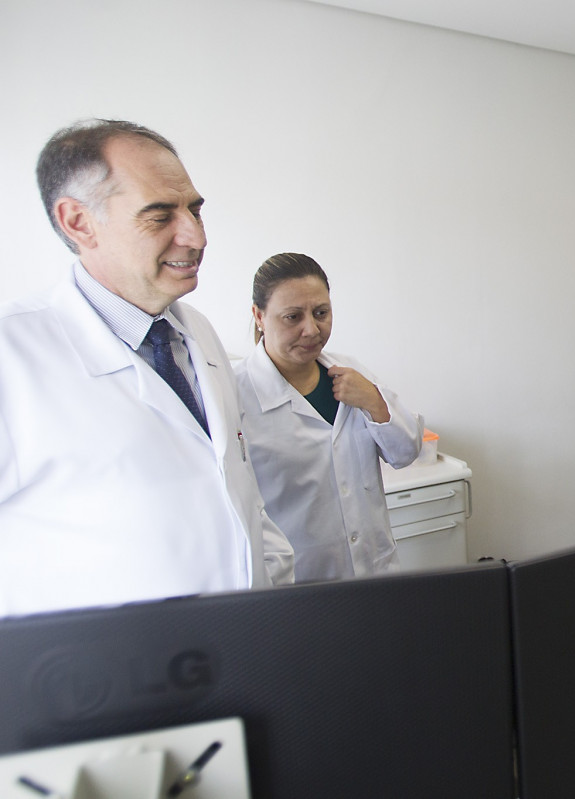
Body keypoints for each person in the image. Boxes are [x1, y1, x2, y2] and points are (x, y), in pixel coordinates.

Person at [0, 119, 294, 617]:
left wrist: (275, 585)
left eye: (195, 210)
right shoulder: (14, 355)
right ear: (78, 222)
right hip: (95, 678)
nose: (196, 236)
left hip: (240, 650)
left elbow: (234, 490)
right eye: (159, 217)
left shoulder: (197, 334)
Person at [235, 253, 424, 582]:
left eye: (321, 313)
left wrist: (374, 402)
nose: (311, 329)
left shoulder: (351, 371)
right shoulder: (235, 393)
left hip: (374, 571)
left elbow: (405, 452)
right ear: (259, 316)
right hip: (298, 583)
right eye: (292, 317)